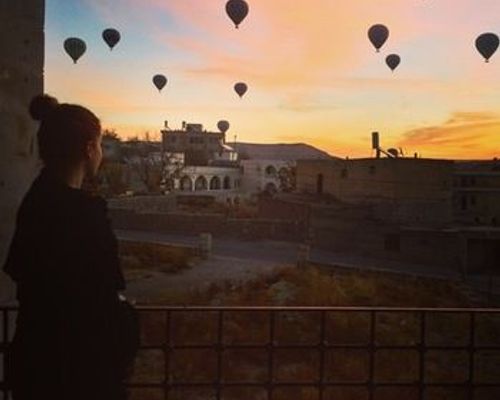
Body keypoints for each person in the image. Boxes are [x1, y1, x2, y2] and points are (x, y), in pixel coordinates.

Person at [3, 95, 139, 400]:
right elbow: (105, 293)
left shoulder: (34, 202)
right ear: (89, 149)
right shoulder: (83, 212)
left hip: (37, 364)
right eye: (101, 144)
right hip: (79, 369)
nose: (101, 153)